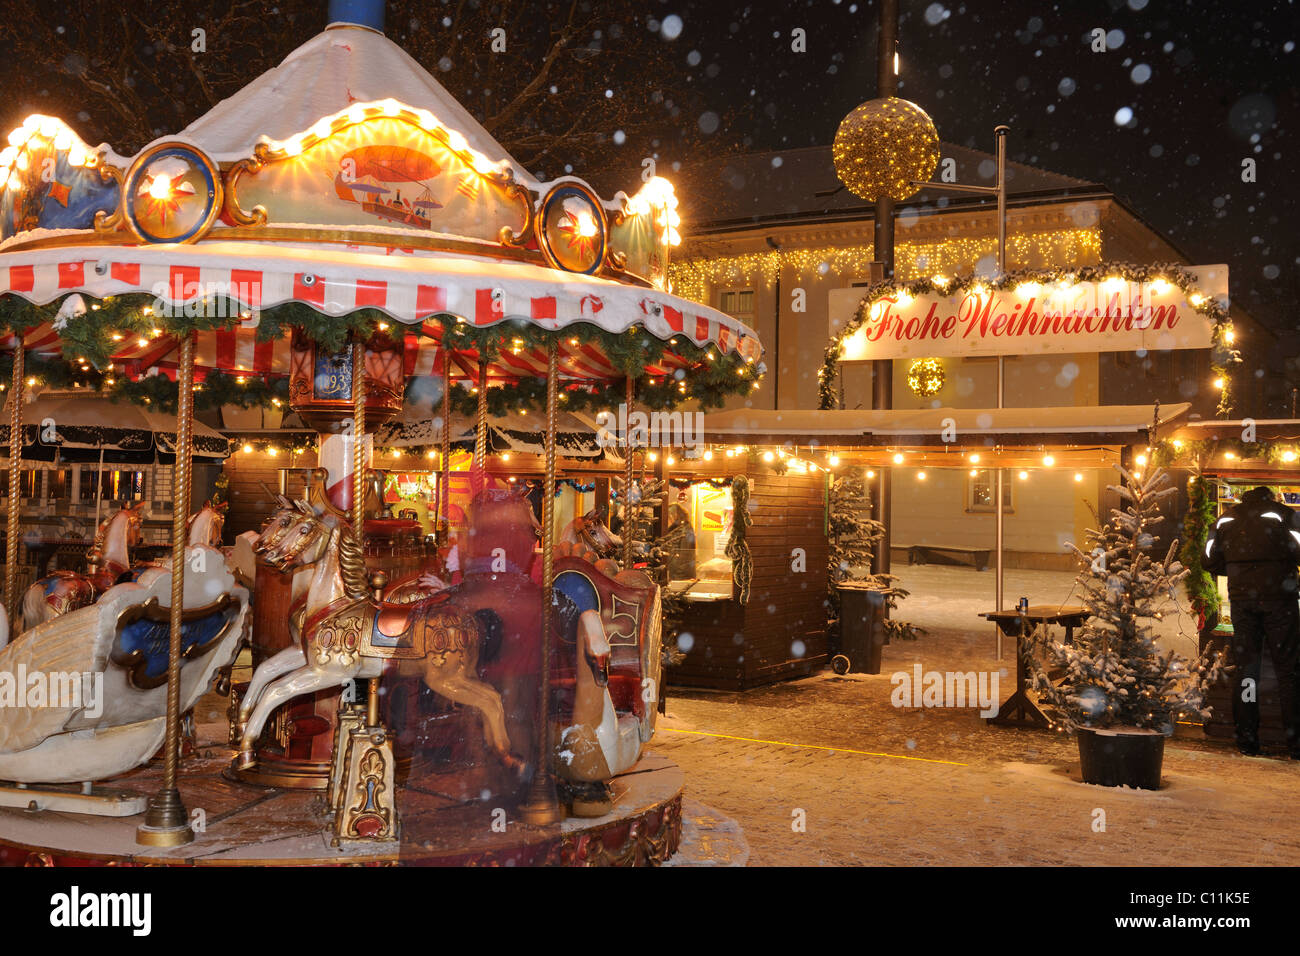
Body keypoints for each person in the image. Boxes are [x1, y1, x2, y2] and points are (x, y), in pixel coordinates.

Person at [1204, 486, 1300, 757]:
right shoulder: (1284, 514)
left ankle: (1247, 741)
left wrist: (1238, 569)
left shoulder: (1225, 519)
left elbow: (1208, 560)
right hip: (1280, 600)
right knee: (1288, 671)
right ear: (1271, 497)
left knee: (1247, 671)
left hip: (1242, 603)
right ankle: (1295, 743)